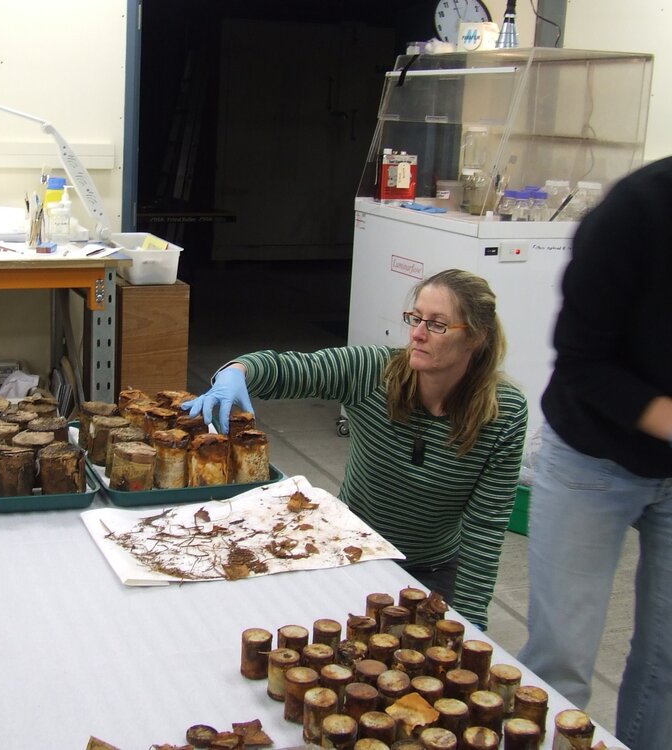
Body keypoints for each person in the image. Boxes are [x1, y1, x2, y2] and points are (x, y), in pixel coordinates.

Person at [183, 269, 527, 629]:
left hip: (431, 570)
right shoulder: (373, 371)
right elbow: (292, 368)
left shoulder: (503, 414)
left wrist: (471, 623)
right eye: (416, 318)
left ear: (475, 336)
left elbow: (485, 530)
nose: (418, 334)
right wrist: (237, 370)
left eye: (437, 325)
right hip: (353, 551)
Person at [517, 158, 672, 750]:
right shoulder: (635, 213)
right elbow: (583, 362)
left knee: (666, 663)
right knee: (562, 657)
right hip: (591, 454)